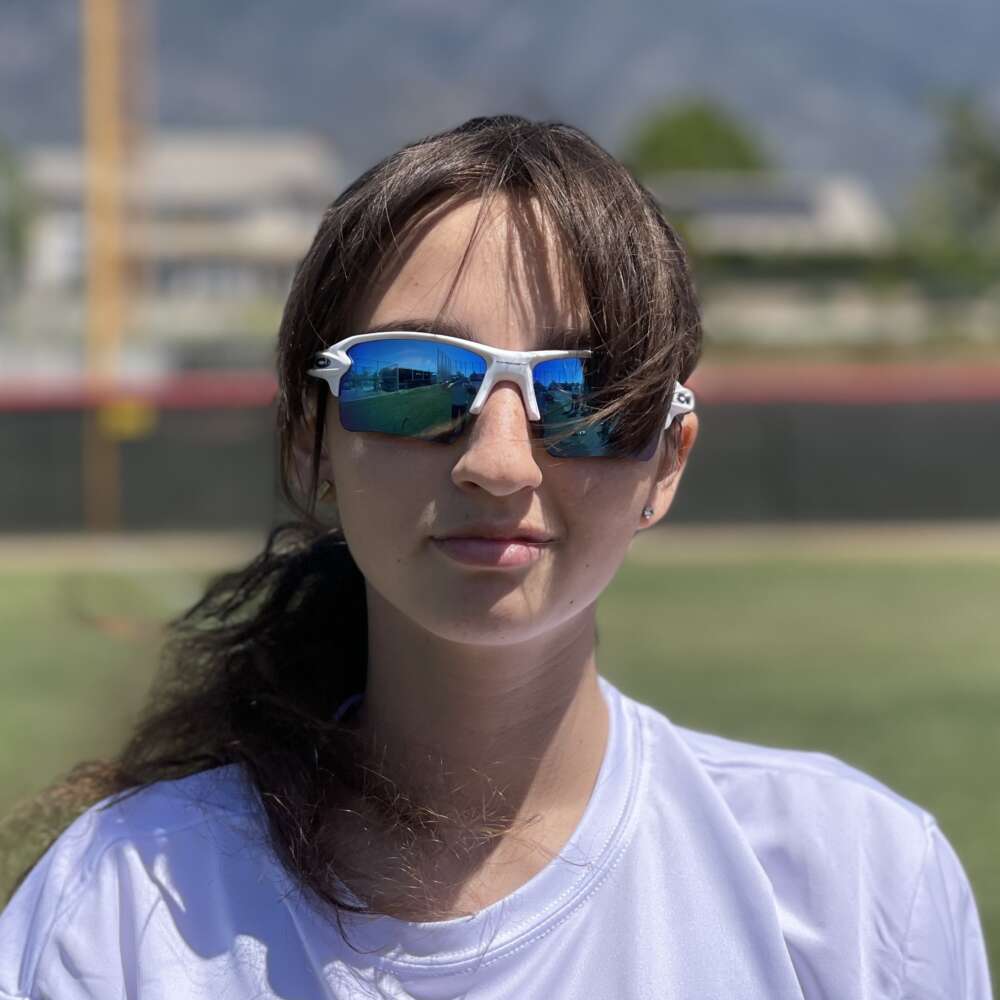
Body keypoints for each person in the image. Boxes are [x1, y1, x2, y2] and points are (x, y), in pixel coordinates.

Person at [0, 115, 992, 1000]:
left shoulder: (860, 888)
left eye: (585, 395)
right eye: (412, 380)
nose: (500, 461)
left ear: (667, 460)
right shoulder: (120, 909)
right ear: (310, 443)